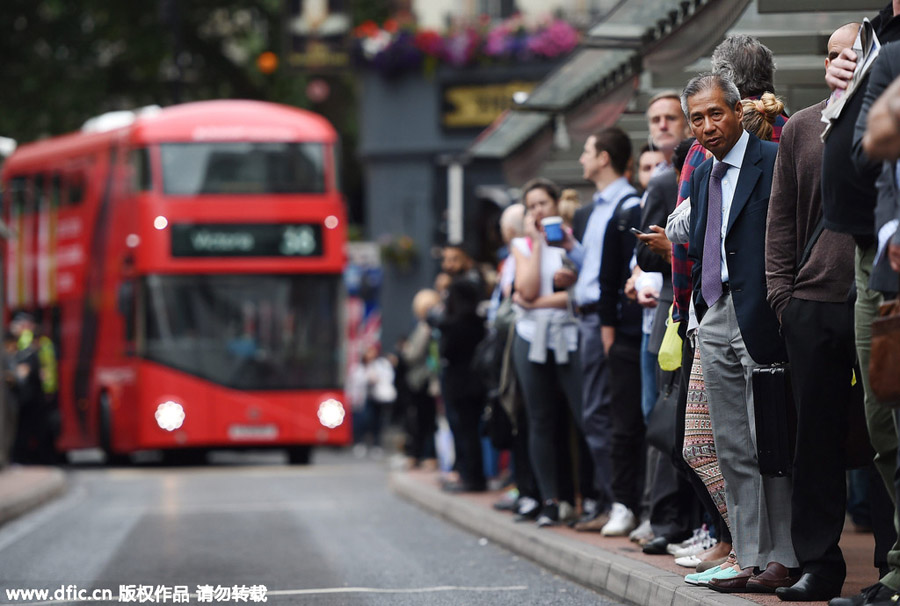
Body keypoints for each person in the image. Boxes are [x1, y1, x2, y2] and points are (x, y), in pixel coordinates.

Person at [683, 72, 797, 592]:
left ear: (736, 110)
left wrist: (782, 303)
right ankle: (748, 555)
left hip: (761, 313)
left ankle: (783, 556)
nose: (707, 126)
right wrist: (705, 311)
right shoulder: (705, 176)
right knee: (730, 443)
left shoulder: (772, 161)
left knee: (769, 437)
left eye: (715, 114)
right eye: (697, 119)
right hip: (715, 312)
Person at [763, 23, 862, 602]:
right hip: (813, 304)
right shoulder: (802, 127)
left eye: (852, 53)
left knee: (881, 439)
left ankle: (887, 562)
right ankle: (818, 566)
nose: (839, 63)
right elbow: (780, 222)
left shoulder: (885, 115)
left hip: (878, 301)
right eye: (831, 54)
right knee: (815, 443)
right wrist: (784, 300)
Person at [555, 127, 641, 534]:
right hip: (589, 316)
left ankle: (617, 500)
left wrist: (607, 324)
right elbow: (595, 265)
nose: (581, 159)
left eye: (587, 150)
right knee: (597, 412)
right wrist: (570, 252)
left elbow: (618, 271)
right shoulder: (596, 208)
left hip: (604, 322)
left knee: (603, 412)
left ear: (604, 157)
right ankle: (613, 499)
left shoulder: (627, 203)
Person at [509, 178, 584, 527]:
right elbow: (523, 288)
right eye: (531, 206)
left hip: (569, 333)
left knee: (582, 414)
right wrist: (537, 242)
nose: (538, 211)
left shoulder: (571, 239)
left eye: (543, 203)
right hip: (531, 337)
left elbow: (573, 292)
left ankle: (589, 497)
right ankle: (551, 499)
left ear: (555, 204)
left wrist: (538, 301)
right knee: (540, 418)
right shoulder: (522, 245)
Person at [437, 243, 488, 492]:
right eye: (446, 259)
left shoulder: (461, 287)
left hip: (463, 371)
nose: (449, 265)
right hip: (465, 370)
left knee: (465, 425)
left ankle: (472, 477)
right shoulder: (462, 286)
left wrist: (440, 322)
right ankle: (467, 473)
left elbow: (460, 326)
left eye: (455, 259)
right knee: (464, 425)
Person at [400, 289, 441, 470]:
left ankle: (425, 455)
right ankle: (425, 454)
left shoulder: (425, 328)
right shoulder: (430, 327)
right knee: (426, 420)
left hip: (422, 381)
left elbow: (412, 354)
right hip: (425, 380)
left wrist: (405, 350)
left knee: (422, 420)